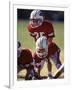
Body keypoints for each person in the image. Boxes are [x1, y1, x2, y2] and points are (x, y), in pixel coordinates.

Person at [27, 10, 62, 78]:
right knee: (36, 64)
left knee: (58, 66)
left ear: (41, 19)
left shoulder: (48, 25)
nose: (33, 22)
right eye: (32, 20)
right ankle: (37, 75)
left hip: (50, 47)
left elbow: (50, 39)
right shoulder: (30, 28)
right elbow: (36, 38)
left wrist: (45, 48)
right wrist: (40, 48)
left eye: (36, 20)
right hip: (40, 48)